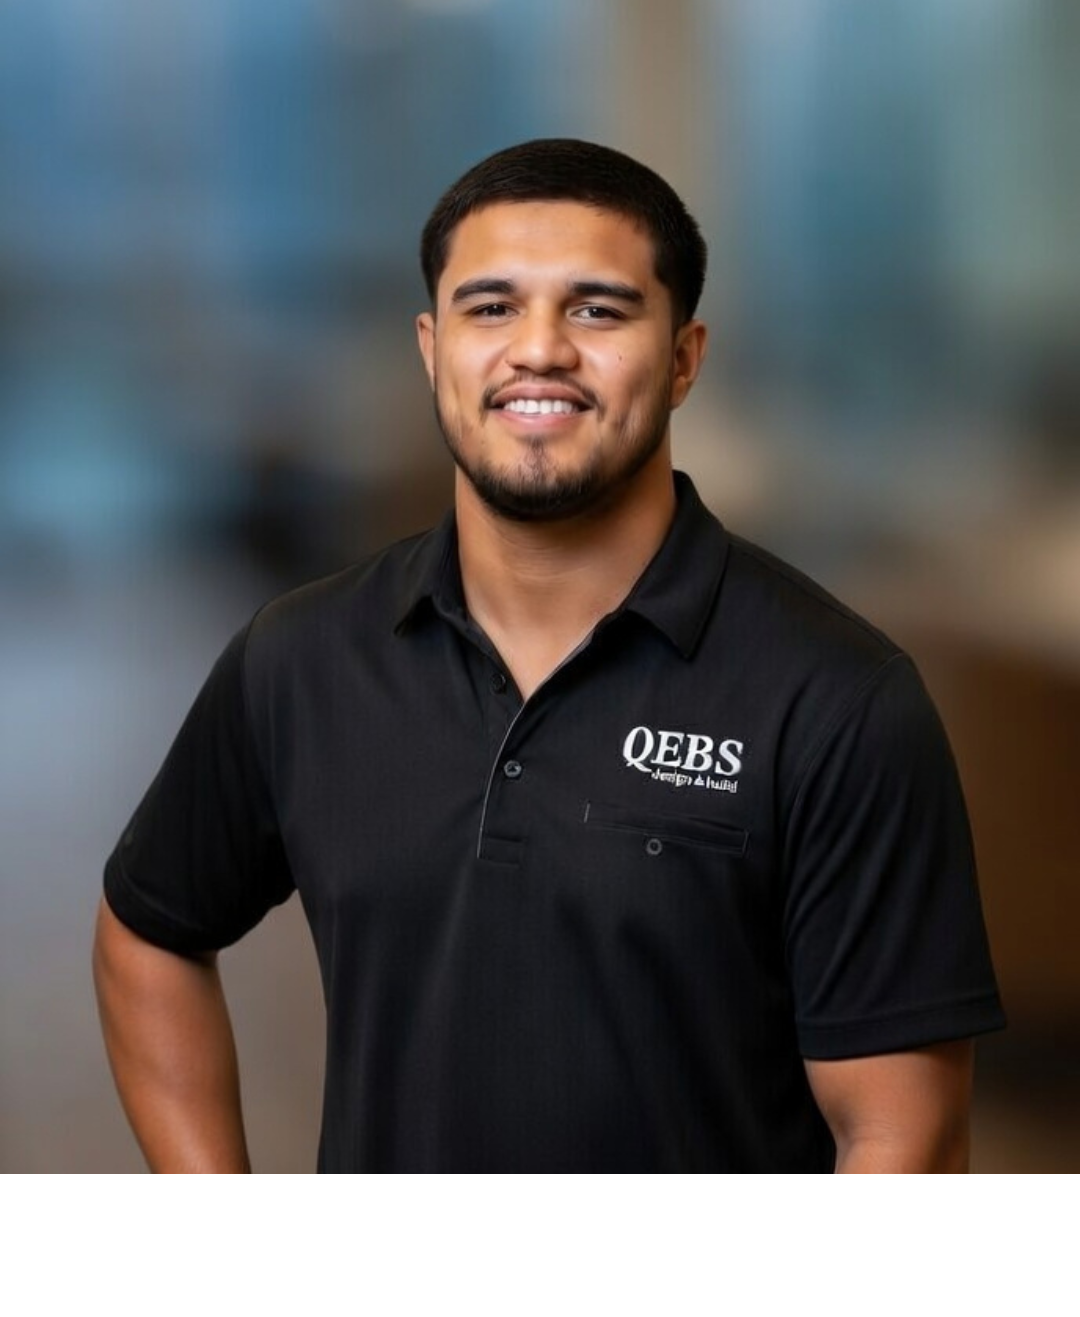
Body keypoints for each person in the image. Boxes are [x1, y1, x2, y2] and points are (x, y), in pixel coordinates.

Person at [93, 138, 1004, 1172]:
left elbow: (904, 1135)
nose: (539, 349)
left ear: (684, 357)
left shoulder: (838, 701)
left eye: (597, 310)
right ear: (432, 348)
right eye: (491, 308)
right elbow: (150, 930)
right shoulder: (300, 660)